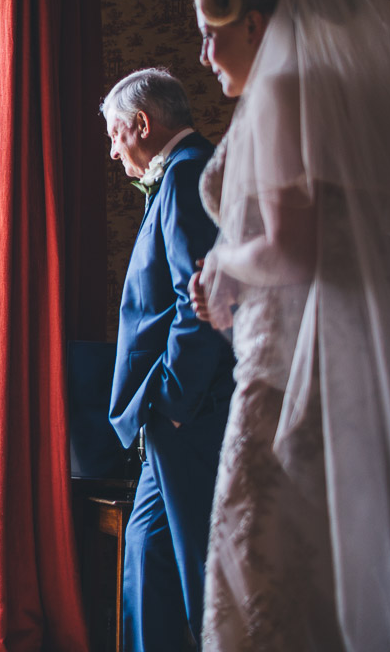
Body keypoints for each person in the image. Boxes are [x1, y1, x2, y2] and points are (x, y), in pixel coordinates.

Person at [190, 0, 390, 651]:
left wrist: (222, 264)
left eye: (212, 33)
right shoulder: (356, 97)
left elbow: (293, 249)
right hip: (354, 363)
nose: (205, 54)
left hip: (286, 377)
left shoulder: (280, 92)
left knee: (264, 569)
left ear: (255, 25)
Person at [102, 68, 236, 651]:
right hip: (173, 412)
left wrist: (174, 402)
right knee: (147, 554)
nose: (113, 151)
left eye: (115, 134)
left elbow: (197, 299)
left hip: (190, 410)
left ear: (141, 123)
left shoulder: (186, 174)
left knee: (200, 566)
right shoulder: (189, 170)